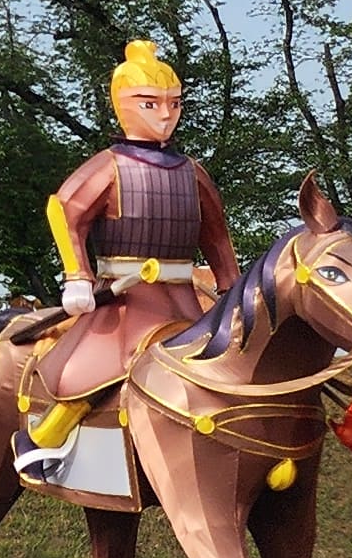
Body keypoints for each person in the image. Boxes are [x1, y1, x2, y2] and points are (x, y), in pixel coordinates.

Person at [15, 38, 240, 482]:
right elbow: (65, 210)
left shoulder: (192, 172)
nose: (165, 114)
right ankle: (45, 437)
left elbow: (215, 233)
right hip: (126, 297)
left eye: (174, 104)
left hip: (186, 296)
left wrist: (231, 283)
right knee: (97, 366)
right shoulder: (109, 165)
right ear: (123, 103)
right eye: (150, 103)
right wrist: (77, 275)